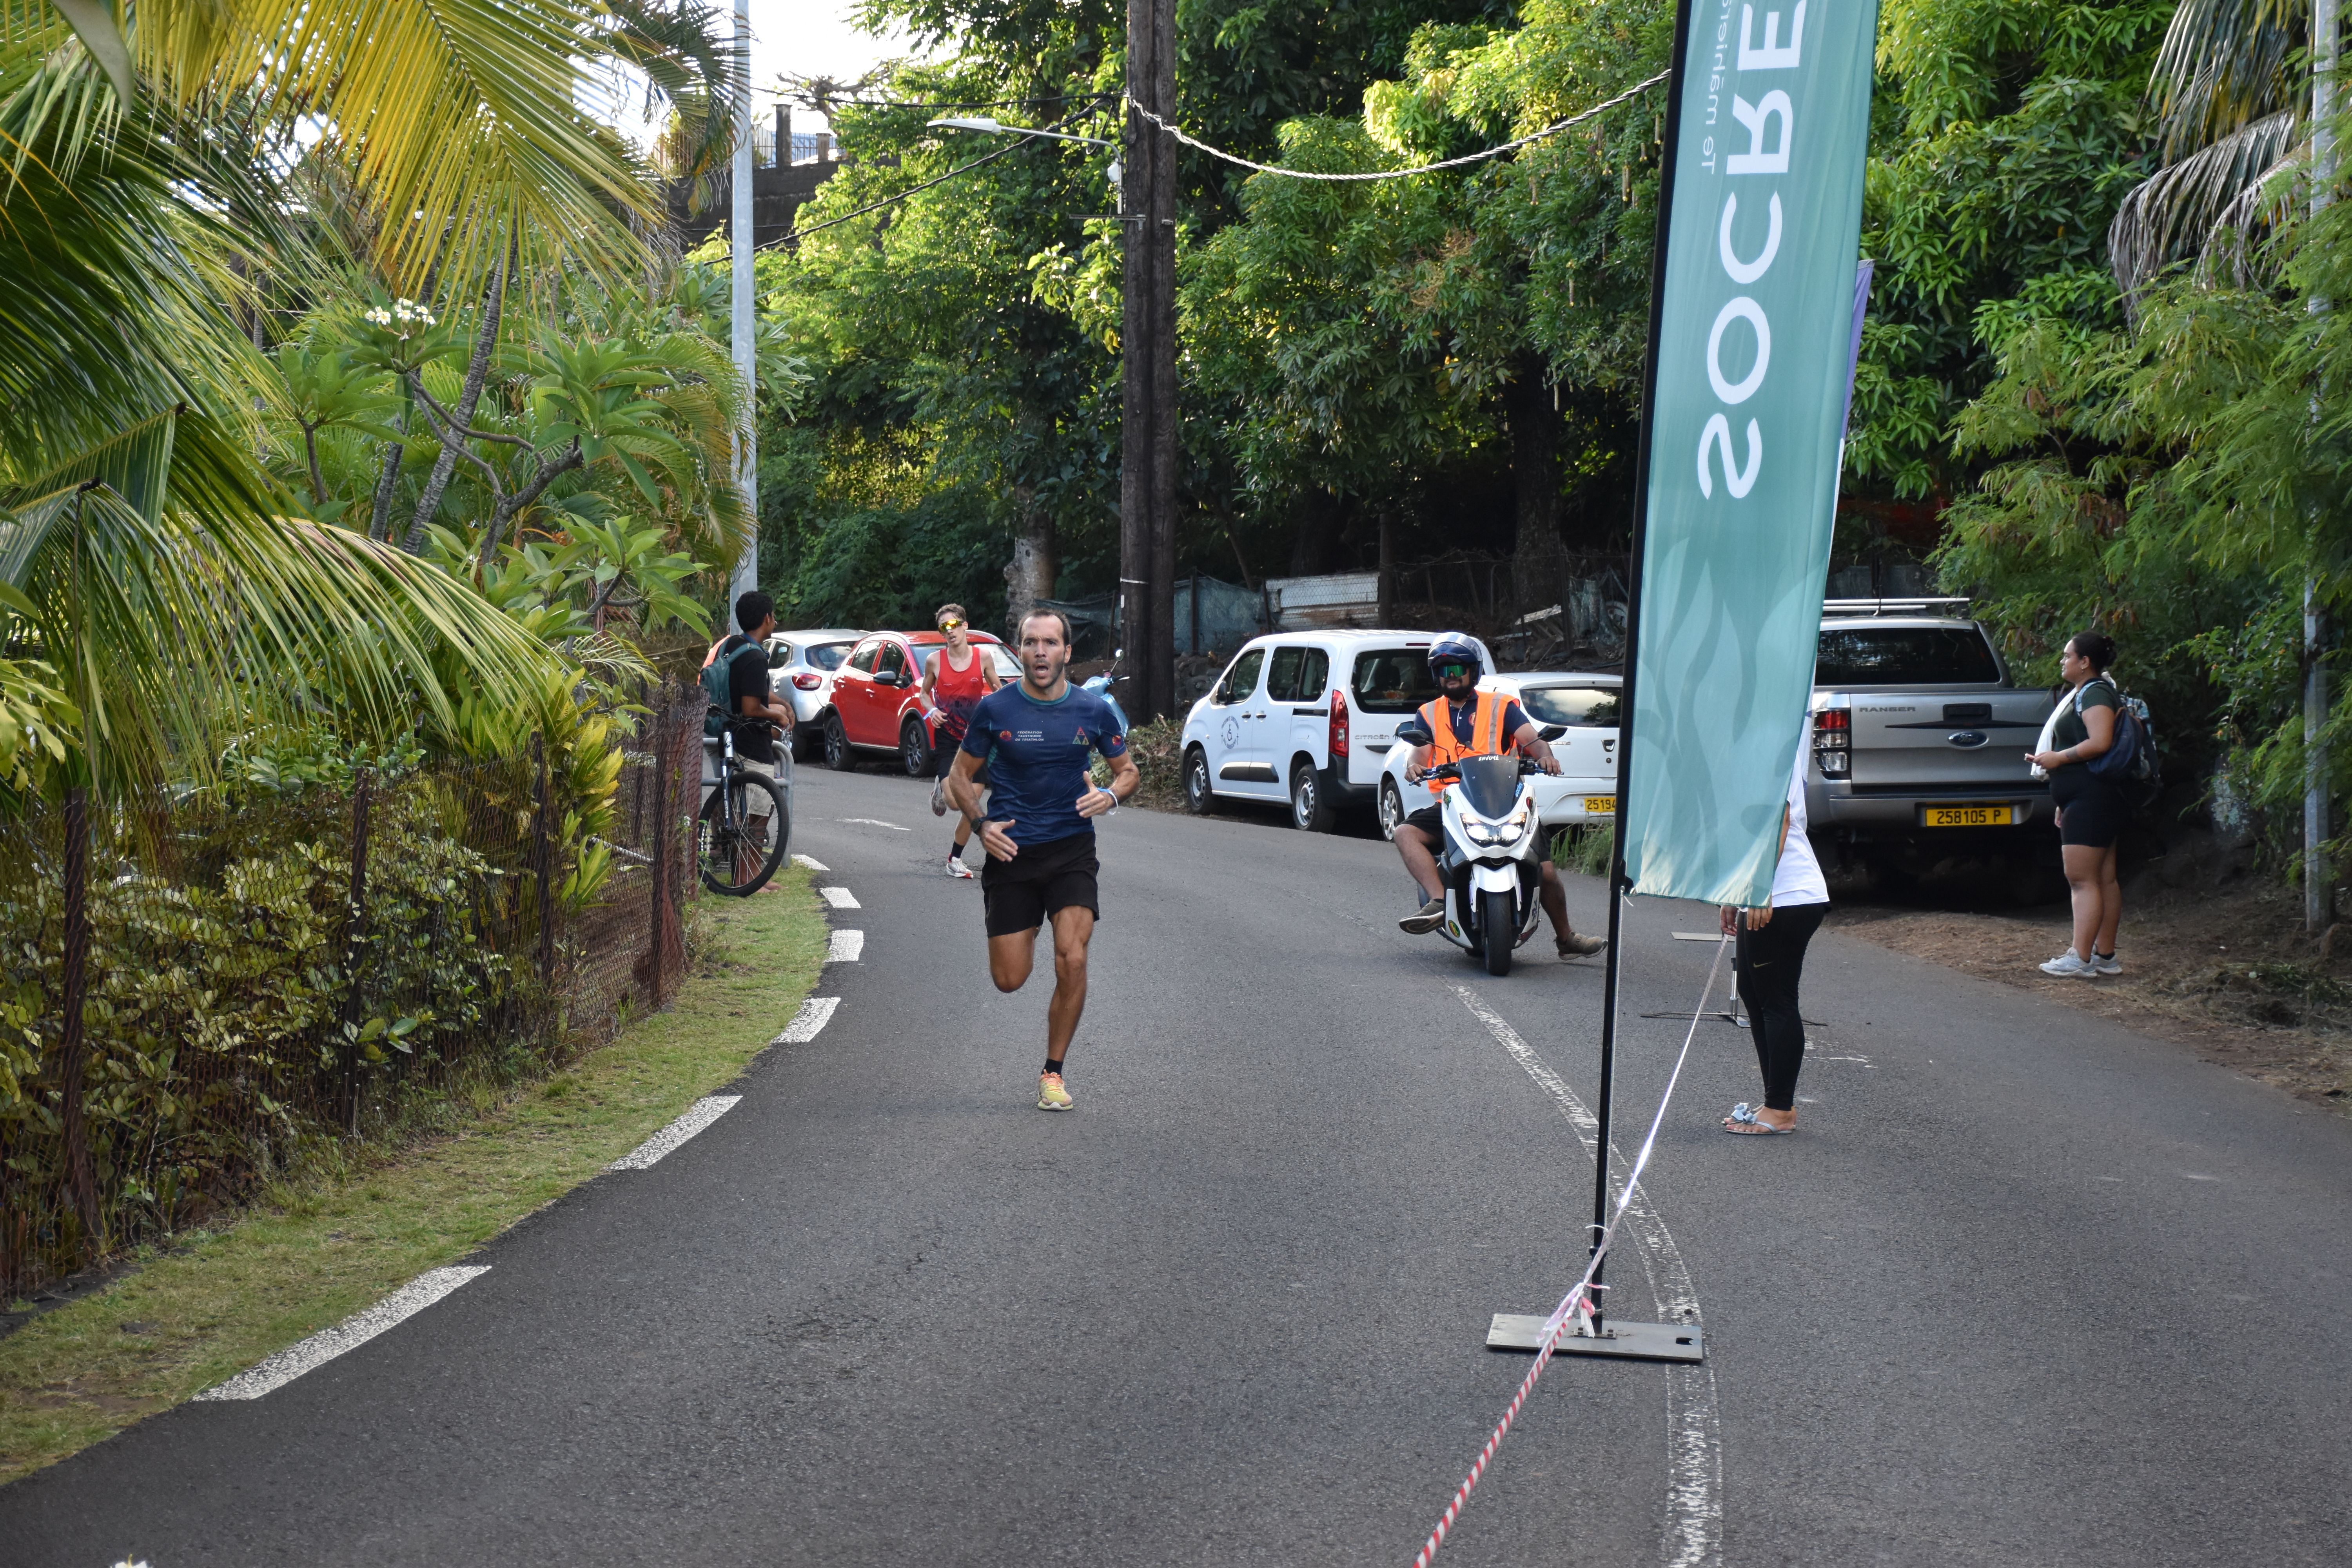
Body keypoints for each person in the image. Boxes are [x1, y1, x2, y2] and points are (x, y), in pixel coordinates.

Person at [945, 609, 1140, 1111]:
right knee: (1009, 979)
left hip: (1071, 849)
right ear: (1020, 650)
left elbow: (1128, 772)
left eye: (1050, 643)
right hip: (1012, 850)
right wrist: (982, 825)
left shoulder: (1093, 710)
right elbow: (958, 777)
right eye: (1031, 642)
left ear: (1066, 652)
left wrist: (1110, 796)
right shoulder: (996, 709)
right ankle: (1028, 921)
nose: (1040, 651)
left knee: (1073, 957)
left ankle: (1053, 1072)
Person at [1395, 633, 1606, 959]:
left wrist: (1545, 757)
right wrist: (1414, 767)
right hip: (1453, 805)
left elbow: (1533, 740)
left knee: (1547, 871)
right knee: (1405, 833)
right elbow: (1419, 752)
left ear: (1473, 671)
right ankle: (1438, 902)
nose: (1450, 677)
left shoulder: (1501, 706)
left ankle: (1566, 939)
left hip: (1505, 801)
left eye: (1457, 670)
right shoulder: (1428, 712)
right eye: (1443, 671)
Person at [1720, 718, 1832, 1136]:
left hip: (1786, 896)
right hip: (1766, 892)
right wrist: (1734, 892)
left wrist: (1759, 889)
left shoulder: (1770, 746)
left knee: (1777, 1000)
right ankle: (1774, 1102)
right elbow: (1746, 828)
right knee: (1754, 995)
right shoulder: (1749, 748)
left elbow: (1778, 819)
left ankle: (1781, 1109)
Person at [2027, 632, 2124, 978]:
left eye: (2068, 655)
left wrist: (2058, 758)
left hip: (2092, 797)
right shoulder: (2087, 692)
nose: (2063, 661)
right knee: (2103, 878)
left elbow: (2100, 742)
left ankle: (2080, 958)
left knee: (2082, 880)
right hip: (2089, 797)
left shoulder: (2095, 692)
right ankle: (2105, 956)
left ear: (2085, 662)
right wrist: (2063, 800)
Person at [704, 592, 793, 873]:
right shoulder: (755, 657)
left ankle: (749, 876)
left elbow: (750, 690)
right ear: (767, 618)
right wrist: (777, 715)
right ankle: (749, 877)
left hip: (728, 735)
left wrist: (780, 704)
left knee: (746, 815)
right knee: (757, 816)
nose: (775, 621)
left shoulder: (733, 645)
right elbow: (751, 707)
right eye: (774, 616)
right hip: (751, 744)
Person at [917, 602, 1002, 878]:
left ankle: (955, 859)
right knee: (955, 803)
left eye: (954, 625)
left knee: (971, 805)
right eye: (944, 627)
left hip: (976, 739)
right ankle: (941, 791)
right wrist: (931, 711)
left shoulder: (983, 657)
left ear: (965, 626)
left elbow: (999, 690)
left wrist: (997, 706)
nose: (950, 631)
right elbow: (924, 694)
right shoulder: (935, 661)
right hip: (948, 739)